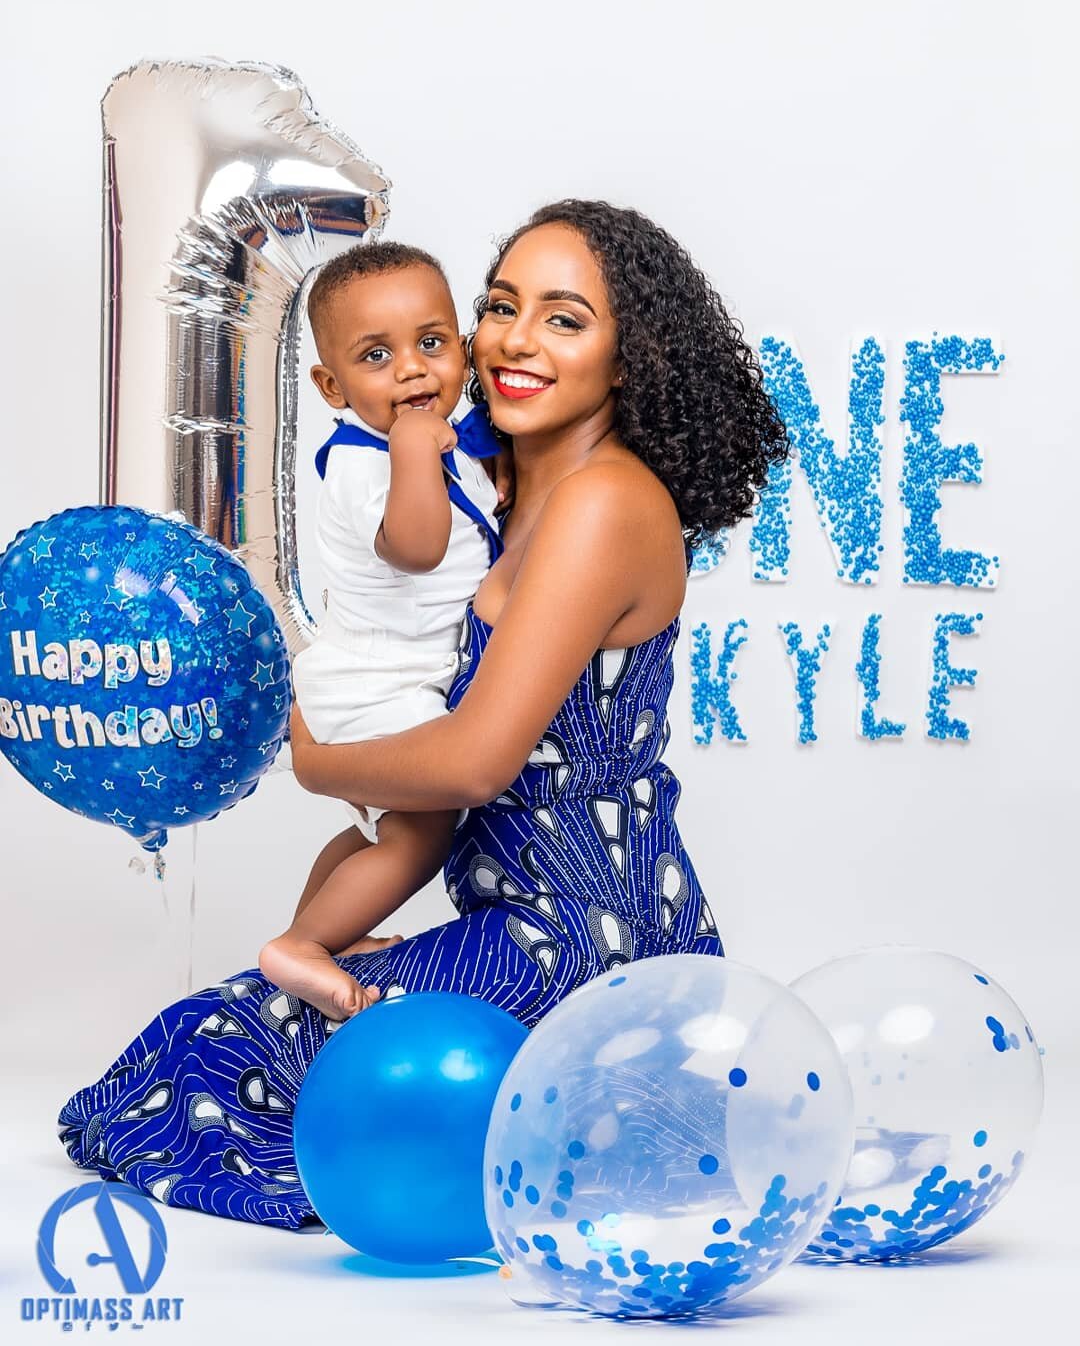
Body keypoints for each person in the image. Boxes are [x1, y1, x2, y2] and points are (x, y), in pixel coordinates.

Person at [57, 200, 790, 1229]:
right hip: (518, 919)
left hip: (588, 946)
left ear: (629, 358)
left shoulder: (603, 505)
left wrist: (311, 757)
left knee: (211, 1050)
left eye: (565, 319)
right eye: (500, 307)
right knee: (241, 1026)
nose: (517, 340)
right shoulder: (503, 479)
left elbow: (475, 765)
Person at [260, 241, 509, 1024]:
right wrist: (411, 451)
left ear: (463, 352)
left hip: (394, 677)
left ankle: (322, 933)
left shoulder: (446, 438)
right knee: (424, 832)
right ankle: (303, 945)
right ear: (332, 386)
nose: (411, 370)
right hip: (376, 683)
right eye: (377, 355)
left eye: (431, 344)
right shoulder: (367, 465)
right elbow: (418, 546)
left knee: (381, 832)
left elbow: (476, 484)